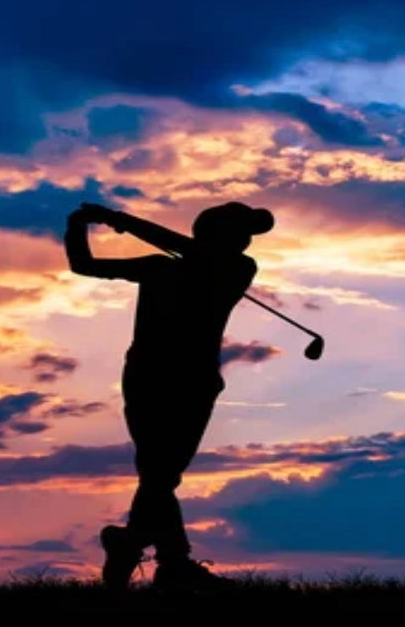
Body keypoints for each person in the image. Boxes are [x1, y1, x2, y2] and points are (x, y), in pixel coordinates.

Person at [63, 200, 274, 590]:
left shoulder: (239, 268)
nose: (246, 242)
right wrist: (77, 227)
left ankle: (132, 545)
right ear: (217, 232)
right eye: (240, 232)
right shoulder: (158, 266)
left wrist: (118, 220)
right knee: (160, 474)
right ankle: (172, 562)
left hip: (196, 380)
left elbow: (192, 252)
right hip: (150, 376)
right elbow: (83, 265)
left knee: (161, 476)